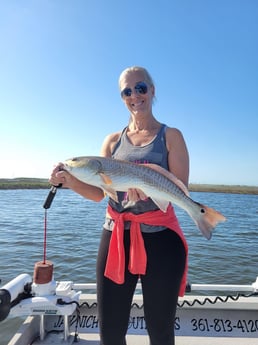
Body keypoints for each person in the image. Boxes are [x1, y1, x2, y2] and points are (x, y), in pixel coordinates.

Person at [50, 66, 189, 345]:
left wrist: (147, 195)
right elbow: (100, 193)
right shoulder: (112, 141)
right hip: (115, 235)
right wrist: (69, 181)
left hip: (161, 240)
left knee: (160, 330)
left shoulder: (171, 136)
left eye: (140, 88)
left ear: (152, 91)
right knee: (110, 332)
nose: (134, 95)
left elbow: (179, 189)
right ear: (122, 97)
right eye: (127, 91)